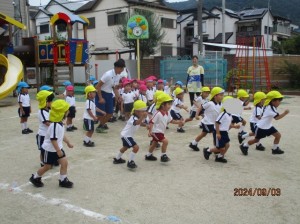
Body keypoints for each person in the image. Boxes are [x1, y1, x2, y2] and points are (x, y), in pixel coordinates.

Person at [29, 100, 74, 188]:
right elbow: (53, 139)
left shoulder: (60, 123)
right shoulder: (55, 125)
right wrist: (58, 150)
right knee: (47, 167)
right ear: (62, 113)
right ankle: (35, 177)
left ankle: (63, 180)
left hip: (57, 148)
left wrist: (68, 142)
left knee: (64, 163)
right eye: (67, 110)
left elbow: (61, 135)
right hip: (49, 150)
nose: (68, 111)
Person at [239, 91, 289, 156]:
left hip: (268, 126)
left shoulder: (270, 106)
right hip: (261, 127)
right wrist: (285, 113)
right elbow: (277, 118)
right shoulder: (270, 108)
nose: (280, 102)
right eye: (279, 100)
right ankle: (244, 145)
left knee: (278, 135)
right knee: (256, 140)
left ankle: (275, 149)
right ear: (273, 101)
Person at [145, 93, 184, 162]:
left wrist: (178, 122)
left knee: (154, 143)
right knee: (165, 141)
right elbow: (151, 122)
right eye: (168, 104)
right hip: (156, 132)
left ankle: (148, 155)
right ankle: (163, 155)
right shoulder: (158, 113)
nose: (170, 106)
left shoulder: (167, 113)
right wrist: (150, 131)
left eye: (170, 104)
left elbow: (171, 120)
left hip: (161, 132)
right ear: (162, 105)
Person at [203, 96, 240, 163]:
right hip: (219, 132)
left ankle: (219, 157)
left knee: (227, 145)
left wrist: (234, 126)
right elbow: (217, 123)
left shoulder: (230, 115)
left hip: (224, 132)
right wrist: (218, 133)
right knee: (221, 148)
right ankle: (208, 150)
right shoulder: (223, 114)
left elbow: (226, 124)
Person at [113, 100, 148, 169]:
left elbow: (140, 123)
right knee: (136, 147)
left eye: (144, 111)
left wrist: (146, 125)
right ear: (136, 111)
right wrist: (143, 117)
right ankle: (130, 162)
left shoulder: (137, 117)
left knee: (125, 147)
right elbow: (137, 123)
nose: (144, 112)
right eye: (143, 111)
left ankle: (117, 159)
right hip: (126, 136)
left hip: (127, 135)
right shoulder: (133, 118)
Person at [189, 87, 224, 151]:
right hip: (207, 122)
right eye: (221, 95)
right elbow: (200, 108)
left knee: (203, 134)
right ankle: (216, 149)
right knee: (215, 134)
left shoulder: (221, 104)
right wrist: (196, 115)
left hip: (213, 123)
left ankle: (193, 143)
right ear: (215, 96)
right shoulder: (209, 103)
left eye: (223, 95)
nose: (222, 97)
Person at [95, 59, 125, 133]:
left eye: (123, 68)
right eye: (121, 68)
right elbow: (97, 86)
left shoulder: (118, 76)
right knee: (101, 114)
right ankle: (96, 124)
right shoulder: (108, 74)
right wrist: (100, 98)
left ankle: (101, 124)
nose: (122, 70)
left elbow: (114, 88)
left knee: (110, 113)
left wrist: (119, 97)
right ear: (116, 67)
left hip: (109, 94)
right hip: (101, 93)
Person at [36, 90, 55, 166]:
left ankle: (51, 160)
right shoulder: (42, 111)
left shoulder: (49, 110)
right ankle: (42, 162)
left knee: (51, 147)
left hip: (49, 133)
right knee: (43, 149)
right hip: (43, 134)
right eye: (51, 101)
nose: (52, 103)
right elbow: (47, 122)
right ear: (45, 102)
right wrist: (55, 125)